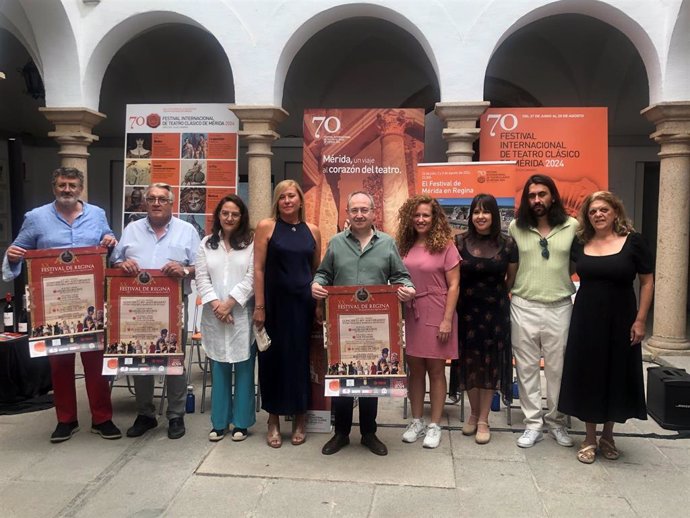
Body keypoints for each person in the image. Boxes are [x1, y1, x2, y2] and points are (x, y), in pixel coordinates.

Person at [1, 166, 121, 443]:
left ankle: (102, 418)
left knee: (96, 363)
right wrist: (12, 255)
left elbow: (109, 247)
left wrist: (110, 241)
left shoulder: (97, 214)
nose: (67, 190)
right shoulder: (36, 218)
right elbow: (16, 253)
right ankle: (66, 420)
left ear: (80, 188)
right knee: (59, 364)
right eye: (62, 185)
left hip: (91, 304)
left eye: (72, 185)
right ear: (53, 187)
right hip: (54, 306)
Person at [312, 191, 416, 456]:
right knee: (343, 376)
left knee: (372, 377)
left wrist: (407, 289)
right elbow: (324, 273)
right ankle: (342, 433)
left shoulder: (387, 244)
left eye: (364, 210)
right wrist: (317, 284)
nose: (359, 215)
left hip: (376, 326)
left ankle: (369, 433)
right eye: (354, 210)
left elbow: (402, 277)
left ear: (373, 213)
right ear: (347, 213)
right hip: (344, 324)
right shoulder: (336, 243)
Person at [558, 191, 653, 464]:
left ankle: (608, 435)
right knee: (589, 373)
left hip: (622, 318)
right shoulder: (581, 243)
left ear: (615, 212)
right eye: (592, 211)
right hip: (586, 319)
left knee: (616, 372)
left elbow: (647, 282)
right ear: (587, 217)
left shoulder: (634, 242)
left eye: (603, 210)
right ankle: (589, 437)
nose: (598, 215)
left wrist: (641, 319)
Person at [111, 182, 200, 440]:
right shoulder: (131, 230)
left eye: (162, 198)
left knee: (174, 358)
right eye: (152, 198)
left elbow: (199, 267)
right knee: (141, 359)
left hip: (173, 306)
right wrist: (122, 264)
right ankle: (145, 414)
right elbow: (117, 259)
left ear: (171, 203)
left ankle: (175, 415)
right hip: (137, 306)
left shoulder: (187, 231)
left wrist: (183, 270)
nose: (157, 203)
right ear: (145, 203)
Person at [509, 174, 577, 448]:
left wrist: (556, 280)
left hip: (559, 306)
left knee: (557, 370)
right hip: (523, 305)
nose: (537, 200)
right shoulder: (516, 227)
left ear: (553, 196)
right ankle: (533, 424)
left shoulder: (572, 226)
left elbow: (573, 264)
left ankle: (557, 422)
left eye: (542, 194)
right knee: (525, 369)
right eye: (532, 195)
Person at [254, 180, 321, 448]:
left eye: (291, 196)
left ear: (300, 200)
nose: (287, 201)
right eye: (282, 197)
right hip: (273, 307)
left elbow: (317, 271)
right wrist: (259, 306)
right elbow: (258, 269)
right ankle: (273, 419)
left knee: (299, 361)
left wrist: (318, 305)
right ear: (276, 201)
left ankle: (300, 418)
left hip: (303, 306)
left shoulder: (313, 230)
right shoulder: (266, 227)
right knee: (272, 360)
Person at [395, 195, 460, 449]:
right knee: (415, 369)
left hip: (436, 310)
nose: (421, 219)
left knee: (435, 369)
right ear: (410, 218)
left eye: (426, 215)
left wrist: (446, 320)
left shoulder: (445, 245)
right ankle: (417, 420)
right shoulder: (404, 245)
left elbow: (454, 285)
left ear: (434, 219)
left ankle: (434, 425)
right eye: (417, 215)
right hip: (411, 311)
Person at [454, 194, 517, 445]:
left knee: (489, 362)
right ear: (470, 216)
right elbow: (454, 279)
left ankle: (484, 420)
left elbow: (510, 279)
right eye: (476, 212)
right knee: (469, 360)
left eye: (486, 211)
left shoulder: (508, 244)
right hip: (466, 310)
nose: (481, 216)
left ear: (494, 215)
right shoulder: (458, 242)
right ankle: (471, 414)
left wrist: (496, 295)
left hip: (495, 311)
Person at [195, 194, 256, 442]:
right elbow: (201, 277)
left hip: (241, 315)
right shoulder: (206, 243)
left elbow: (252, 277)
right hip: (214, 316)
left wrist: (230, 304)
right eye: (225, 213)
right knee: (218, 367)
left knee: (244, 368)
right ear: (218, 216)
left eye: (235, 214)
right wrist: (217, 306)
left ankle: (241, 422)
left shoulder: (251, 243)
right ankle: (219, 423)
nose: (229, 218)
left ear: (242, 217)